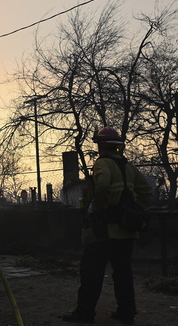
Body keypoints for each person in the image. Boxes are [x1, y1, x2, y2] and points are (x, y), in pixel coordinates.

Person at [63, 126, 153, 325]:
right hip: (126, 231)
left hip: (104, 232)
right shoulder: (128, 167)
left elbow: (102, 186)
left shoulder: (102, 163)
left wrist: (98, 208)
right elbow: (146, 190)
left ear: (101, 145)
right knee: (123, 273)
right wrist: (135, 210)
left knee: (91, 272)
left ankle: (85, 313)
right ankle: (127, 312)